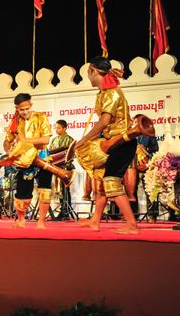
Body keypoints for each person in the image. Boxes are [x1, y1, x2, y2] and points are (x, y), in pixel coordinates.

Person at [74, 56, 139, 234]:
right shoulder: (104, 93)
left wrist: (84, 140)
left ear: (93, 71)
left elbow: (104, 121)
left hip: (121, 142)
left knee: (111, 181)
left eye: (88, 73)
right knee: (102, 181)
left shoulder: (111, 93)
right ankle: (95, 220)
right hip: (113, 142)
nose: (88, 77)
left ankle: (132, 225)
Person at [3, 93, 53, 229]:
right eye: (21, 109)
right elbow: (7, 141)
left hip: (42, 158)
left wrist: (25, 141)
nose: (25, 112)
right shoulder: (15, 122)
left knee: (45, 190)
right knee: (22, 192)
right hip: (24, 161)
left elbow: (46, 140)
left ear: (31, 105)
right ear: (17, 109)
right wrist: (9, 152)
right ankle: (21, 220)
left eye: (27, 108)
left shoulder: (41, 117)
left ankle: (41, 222)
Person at [48, 119, 75, 220]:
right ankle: (62, 210)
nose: (57, 130)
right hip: (56, 168)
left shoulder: (70, 139)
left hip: (65, 168)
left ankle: (66, 210)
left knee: (65, 189)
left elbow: (72, 155)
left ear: (64, 128)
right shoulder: (54, 140)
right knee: (58, 189)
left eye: (59, 128)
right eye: (56, 128)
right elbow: (50, 153)